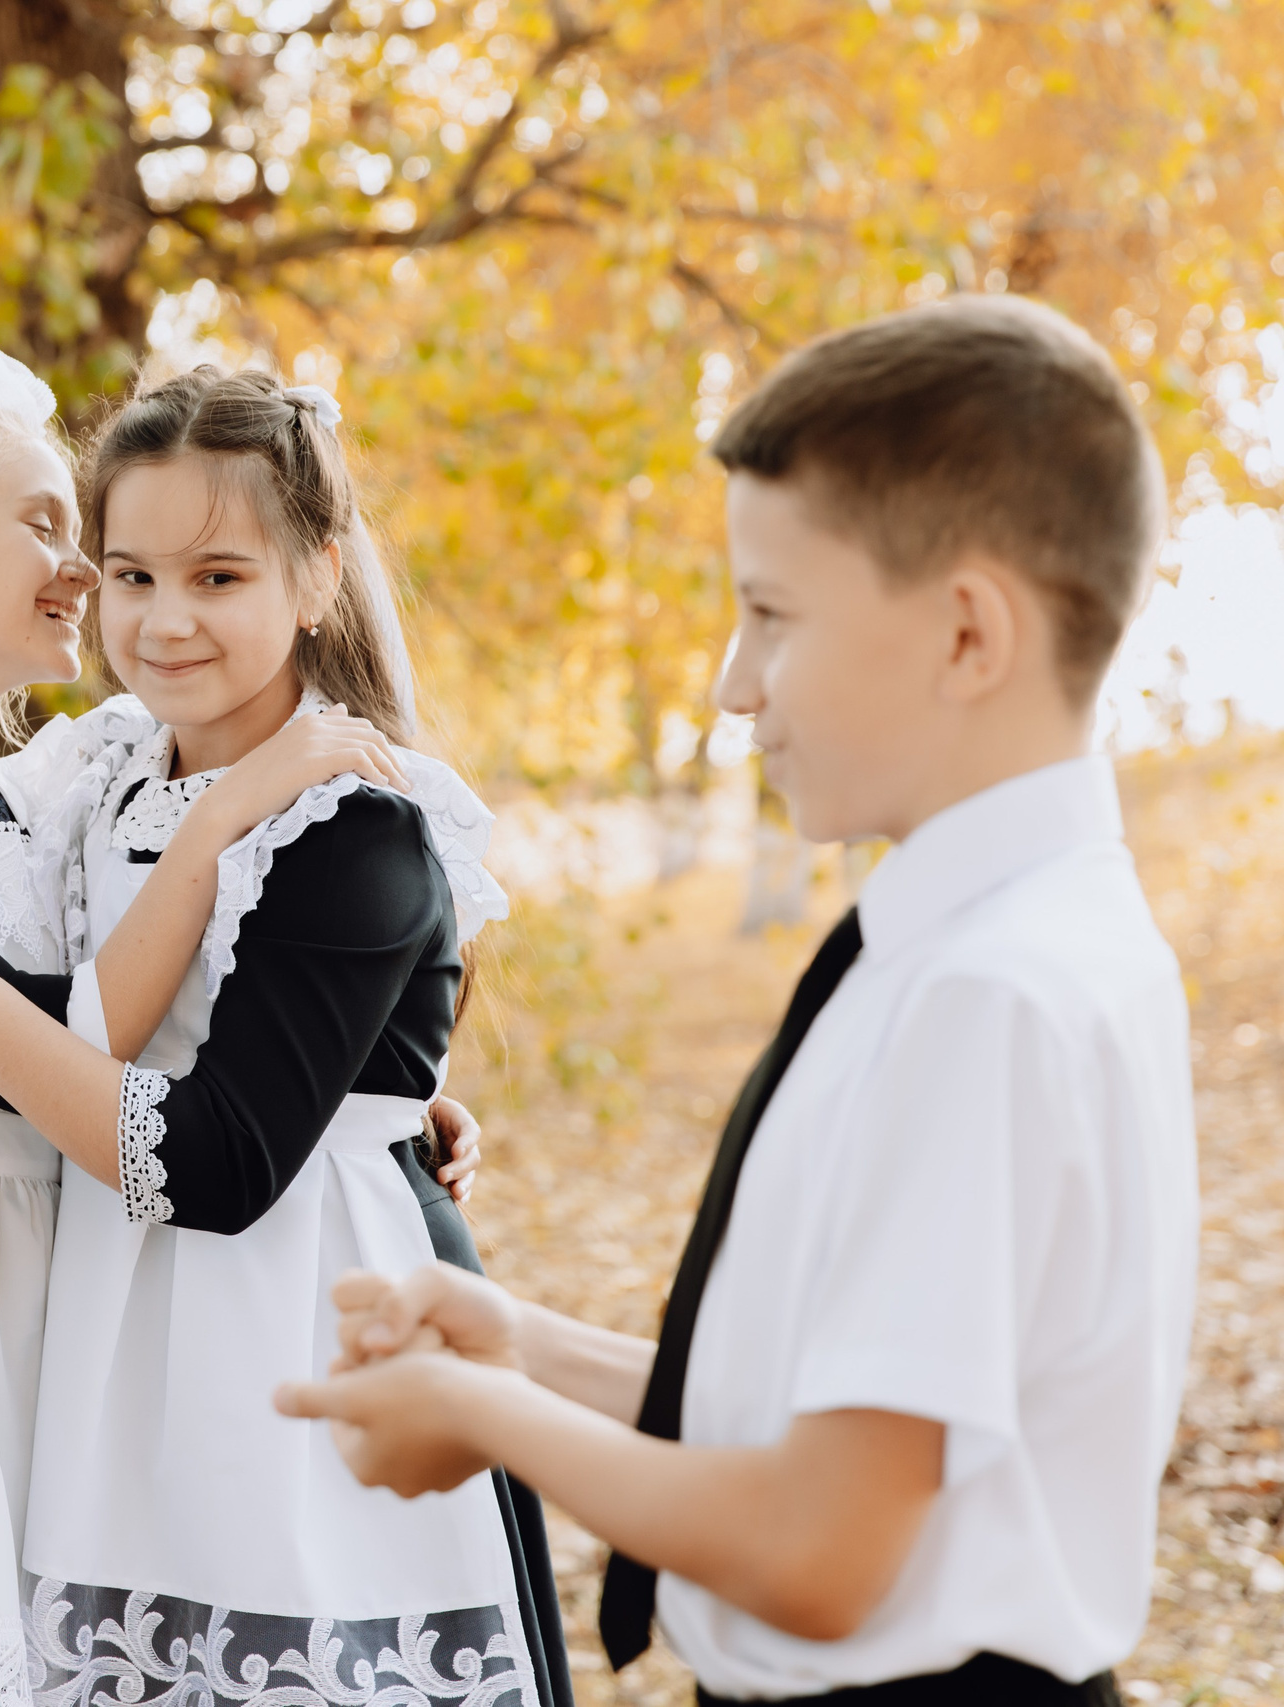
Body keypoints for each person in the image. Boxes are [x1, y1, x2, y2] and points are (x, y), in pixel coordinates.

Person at [280, 295, 1197, 1707]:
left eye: (771, 615)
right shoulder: (1008, 937)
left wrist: (489, 1417)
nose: (729, 686)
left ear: (967, 636)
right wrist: (528, 1348)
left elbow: (819, 1550)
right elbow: (837, 1424)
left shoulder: (988, 998)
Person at [0, 365, 570, 1704]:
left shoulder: (356, 824)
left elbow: (213, 1163)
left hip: (304, 1332)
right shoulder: (90, 777)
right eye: (132, 575)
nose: (165, 620)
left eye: (218, 577)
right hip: (116, 1353)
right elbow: (6, 939)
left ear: (316, 580)